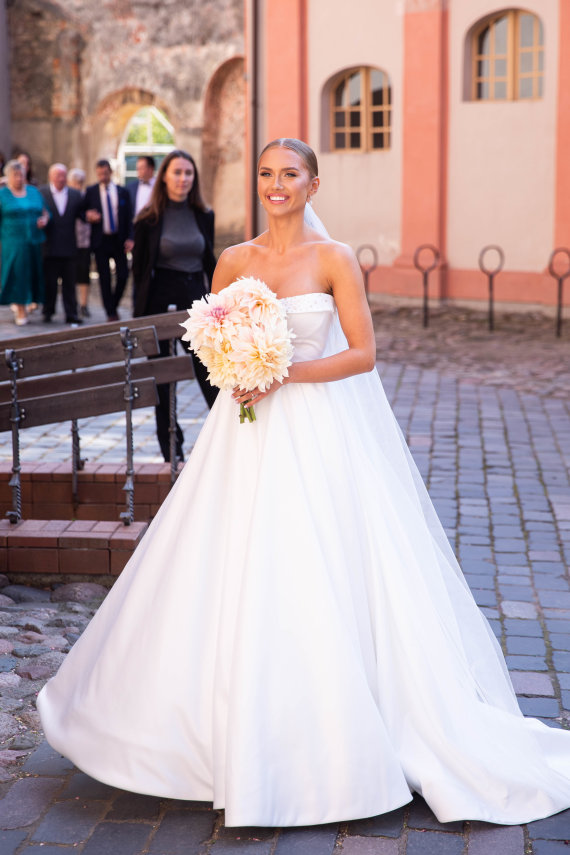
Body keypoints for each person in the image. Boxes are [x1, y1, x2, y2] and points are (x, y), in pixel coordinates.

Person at [38, 138, 570, 829]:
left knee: (326, 558)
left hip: (319, 426)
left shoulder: (334, 258)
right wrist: (238, 368)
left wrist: (286, 372)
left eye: (289, 174)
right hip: (247, 430)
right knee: (231, 559)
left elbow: (363, 352)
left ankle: (344, 732)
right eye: (266, 174)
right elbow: (217, 334)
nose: (276, 185)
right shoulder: (233, 259)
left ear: (313, 184)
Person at [131, 149, 218, 462]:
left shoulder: (204, 215)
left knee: (211, 376)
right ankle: (172, 451)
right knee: (163, 384)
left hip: (197, 305)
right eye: (177, 172)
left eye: (188, 173)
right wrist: (138, 323)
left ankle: (229, 437)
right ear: (164, 177)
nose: (183, 179)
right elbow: (139, 274)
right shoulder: (148, 219)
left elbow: (211, 263)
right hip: (159, 307)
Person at [83, 159, 133, 321]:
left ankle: (114, 304)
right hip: (100, 241)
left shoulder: (122, 192)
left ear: (110, 172)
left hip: (118, 240)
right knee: (104, 277)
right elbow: (81, 211)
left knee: (123, 275)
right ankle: (110, 313)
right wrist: (88, 216)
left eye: (105, 173)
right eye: (99, 174)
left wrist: (131, 238)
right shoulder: (91, 191)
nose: (102, 177)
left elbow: (129, 217)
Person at [0, 160, 49, 325]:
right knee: (18, 274)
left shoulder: (33, 192)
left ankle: (29, 302)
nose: (19, 178)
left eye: (21, 174)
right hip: (13, 241)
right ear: (8, 177)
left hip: (33, 240)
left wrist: (44, 219)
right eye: (15, 175)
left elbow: (46, 211)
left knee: (32, 273)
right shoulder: (3, 194)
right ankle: (20, 308)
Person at [39, 163, 84, 324]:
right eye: (58, 175)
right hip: (49, 247)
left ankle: (71, 313)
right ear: (51, 177)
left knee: (69, 284)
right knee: (50, 282)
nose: (61, 178)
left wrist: (90, 216)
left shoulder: (75, 195)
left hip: (69, 247)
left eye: (63, 175)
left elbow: (82, 214)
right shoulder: (42, 193)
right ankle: (48, 311)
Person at [68, 168, 92, 318]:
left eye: (80, 182)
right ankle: (73, 303)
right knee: (71, 275)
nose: (78, 185)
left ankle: (83, 304)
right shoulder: (68, 197)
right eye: (75, 182)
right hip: (69, 242)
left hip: (84, 242)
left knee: (84, 274)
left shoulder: (85, 197)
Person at [127, 154, 156, 224]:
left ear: (151, 169)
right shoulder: (130, 187)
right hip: (136, 228)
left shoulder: (161, 187)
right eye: (137, 168)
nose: (138, 171)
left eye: (141, 168)